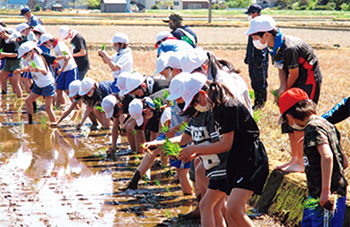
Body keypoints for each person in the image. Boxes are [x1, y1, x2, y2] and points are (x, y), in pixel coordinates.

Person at [177, 77, 269, 226]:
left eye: (195, 102)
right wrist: (198, 152)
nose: (196, 106)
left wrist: (195, 148)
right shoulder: (217, 108)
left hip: (250, 158)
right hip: (237, 159)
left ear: (202, 93)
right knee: (230, 213)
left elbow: (225, 144)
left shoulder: (228, 107)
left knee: (233, 209)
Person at [246, 15, 322, 172]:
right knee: (288, 119)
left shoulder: (289, 48)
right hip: (294, 80)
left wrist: (285, 92)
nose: (253, 40)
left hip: (308, 80)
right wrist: (282, 88)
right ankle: (295, 159)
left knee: (300, 118)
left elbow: (294, 73)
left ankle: (302, 162)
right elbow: (281, 69)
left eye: (254, 36)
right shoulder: (273, 47)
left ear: (266, 34)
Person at [278, 88, 348, 226]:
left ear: (290, 116)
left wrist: (326, 192)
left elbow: (327, 156)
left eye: (286, 120)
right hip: (315, 194)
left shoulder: (313, 128)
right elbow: (344, 162)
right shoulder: (326, 125)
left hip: (325, 197)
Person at [15, 41, 56, 124]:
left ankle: (54, 124)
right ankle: (30, 122)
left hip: (47, 84)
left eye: (23, 55)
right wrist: (21, 70)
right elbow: (30, 67)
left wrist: (38, 69)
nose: (23, 58)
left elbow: (44, 71)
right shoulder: (32, 59)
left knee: (48, 107)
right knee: (28, 101)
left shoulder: (38, 59)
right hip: (38, 84)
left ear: (29, 53)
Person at [40, 33, 79, 107]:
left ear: (48, 42)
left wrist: (61, 69)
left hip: (70, 69)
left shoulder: (60, 46)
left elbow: (67, 57)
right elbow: (63, 59)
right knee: (58, 88)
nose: (46, 46)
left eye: (45, 44)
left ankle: (76, 108)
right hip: (64, 70)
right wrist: (57, 65)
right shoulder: (56, 47)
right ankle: (60, 106)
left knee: (69, 91)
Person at [244, 4, 269, 110]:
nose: (249, 16)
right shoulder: (253, 25)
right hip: (252, 59)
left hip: (259, 61)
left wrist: (260, 60)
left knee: (260, 82)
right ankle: (257, 101)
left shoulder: (262, 26)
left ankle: (261, 102)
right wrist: (247, 56)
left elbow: (263, 44)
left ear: (255, 13)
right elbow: (250, 44)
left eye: (250, 14)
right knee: (254, 81)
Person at [0, 26, 23, 98]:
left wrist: (4, 54)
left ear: (2, 33)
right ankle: (3, 95)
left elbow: (16, 54)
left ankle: (19, 100)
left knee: (15, 83)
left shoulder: (13, 40)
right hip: (7, 61)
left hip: (15, 62)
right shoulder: (2, 41)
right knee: (2, 77)